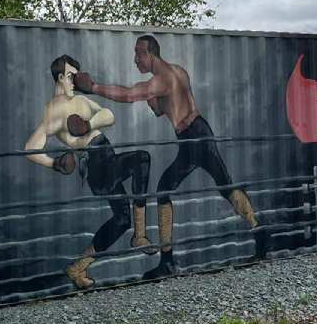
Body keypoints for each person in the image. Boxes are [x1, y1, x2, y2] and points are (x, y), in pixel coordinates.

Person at [73, 35, 258, 277]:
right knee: (222, 185)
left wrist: (94, 87)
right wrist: (156, 105)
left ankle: (167, 263)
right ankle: (260, 232)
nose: (135, 59)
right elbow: (166, 108)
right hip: (198, 133)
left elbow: (129, 95)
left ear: (152, 54)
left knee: (166, 190)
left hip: (193, 137)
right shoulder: (178, 72)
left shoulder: (161, 80)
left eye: (139, 53)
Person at [24, 54, 155, 288]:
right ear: (60, 77)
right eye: (72, 77)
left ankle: (77, 268)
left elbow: (109, 115)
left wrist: (89, 124)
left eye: (78, 75)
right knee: (141, 159)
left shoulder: (80, 102)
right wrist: (54, 163)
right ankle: (140, 235)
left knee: (122, 219)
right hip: (97, 164)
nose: (77, 81)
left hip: (108, 157)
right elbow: (31, 148)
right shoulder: (53, 112)